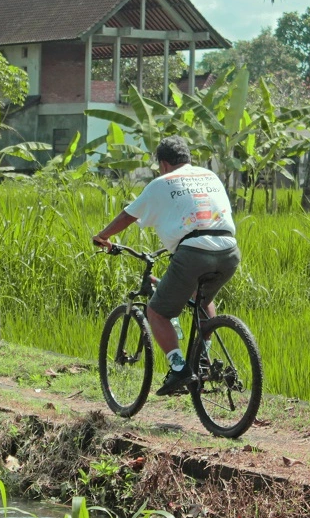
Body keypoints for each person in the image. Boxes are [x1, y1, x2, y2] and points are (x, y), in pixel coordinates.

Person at [92, 136, 239, 397]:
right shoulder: (210, 175)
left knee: (156, 312)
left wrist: (103, 236)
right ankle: (204, 357)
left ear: (163, 164)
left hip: (194, 252)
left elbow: (129, 215)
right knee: (202, 299)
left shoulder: (162, 182)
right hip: (229, 250)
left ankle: (179, 367)